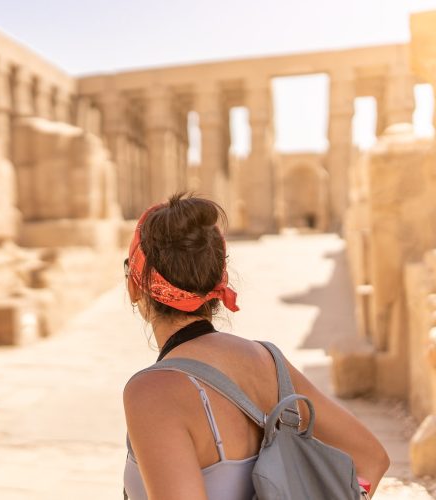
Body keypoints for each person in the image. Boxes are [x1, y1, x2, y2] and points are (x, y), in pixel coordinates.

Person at [121, 193, 390, 499]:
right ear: (218, 282)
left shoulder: (152, 392)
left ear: (134, 286)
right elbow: (370, 460)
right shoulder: (268, 361)